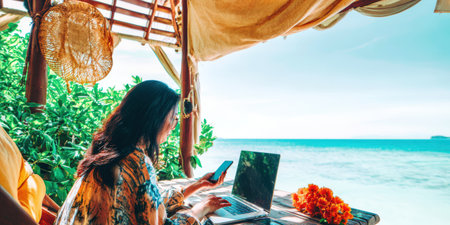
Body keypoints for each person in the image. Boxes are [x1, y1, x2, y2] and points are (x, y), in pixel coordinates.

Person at [54, 80, 231, 225]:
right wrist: (200, 209)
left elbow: (145, 204)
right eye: (173, 119)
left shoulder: (105, 152)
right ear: (155, 118)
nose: (172, 127)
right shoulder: (135, 162)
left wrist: (198, 185)